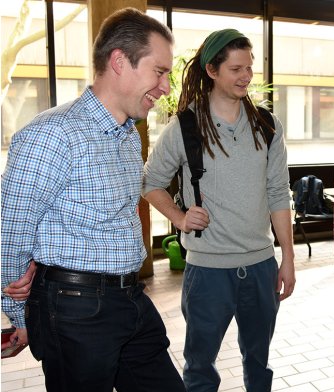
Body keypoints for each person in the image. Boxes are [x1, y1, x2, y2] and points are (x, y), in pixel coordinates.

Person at [1, 7, 185, 392]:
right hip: (74, 310)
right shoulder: (53, 134)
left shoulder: (129, 136)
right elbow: (9, 232)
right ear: (119, 61)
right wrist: (21, 316)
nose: (167, 86)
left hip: (130, 299)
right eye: (160, 71)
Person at [142, 29, 296, 391]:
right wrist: (179, 217)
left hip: (261, 266)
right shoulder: (185, 127)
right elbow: (149, 181)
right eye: (236, 69)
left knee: (259, 361)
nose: (246, 76)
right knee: (199, 366)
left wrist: (287, 256)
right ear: (212, 70)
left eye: (250, 68)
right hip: (207, 271)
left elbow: (278, 192)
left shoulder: (267, 125)